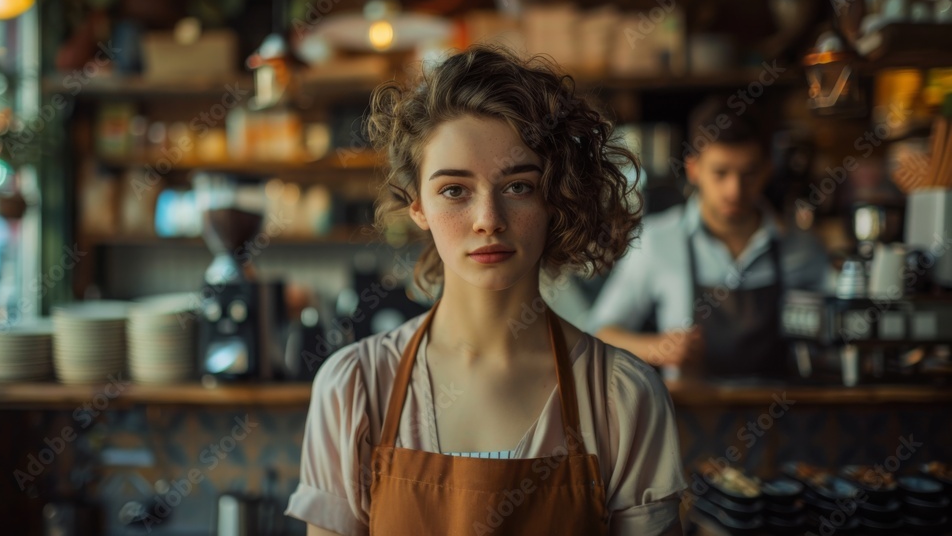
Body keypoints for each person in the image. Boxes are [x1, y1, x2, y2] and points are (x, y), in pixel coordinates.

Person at [285, 45, 687, 535]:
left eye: (518, 186)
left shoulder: (622, 397)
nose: (488, 221)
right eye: (454, 190)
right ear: (417, 208)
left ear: (555, 198)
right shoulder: (355, 388)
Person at [587, 97, 830, 378]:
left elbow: (833, 341)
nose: (734, 190)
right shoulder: (658, 240)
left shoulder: (802, 247)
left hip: (778, 416)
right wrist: (657, 348)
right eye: (720, 173)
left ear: (767, 170)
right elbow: (599, 332)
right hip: (690, 418)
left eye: (748, 174)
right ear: (694, 169)